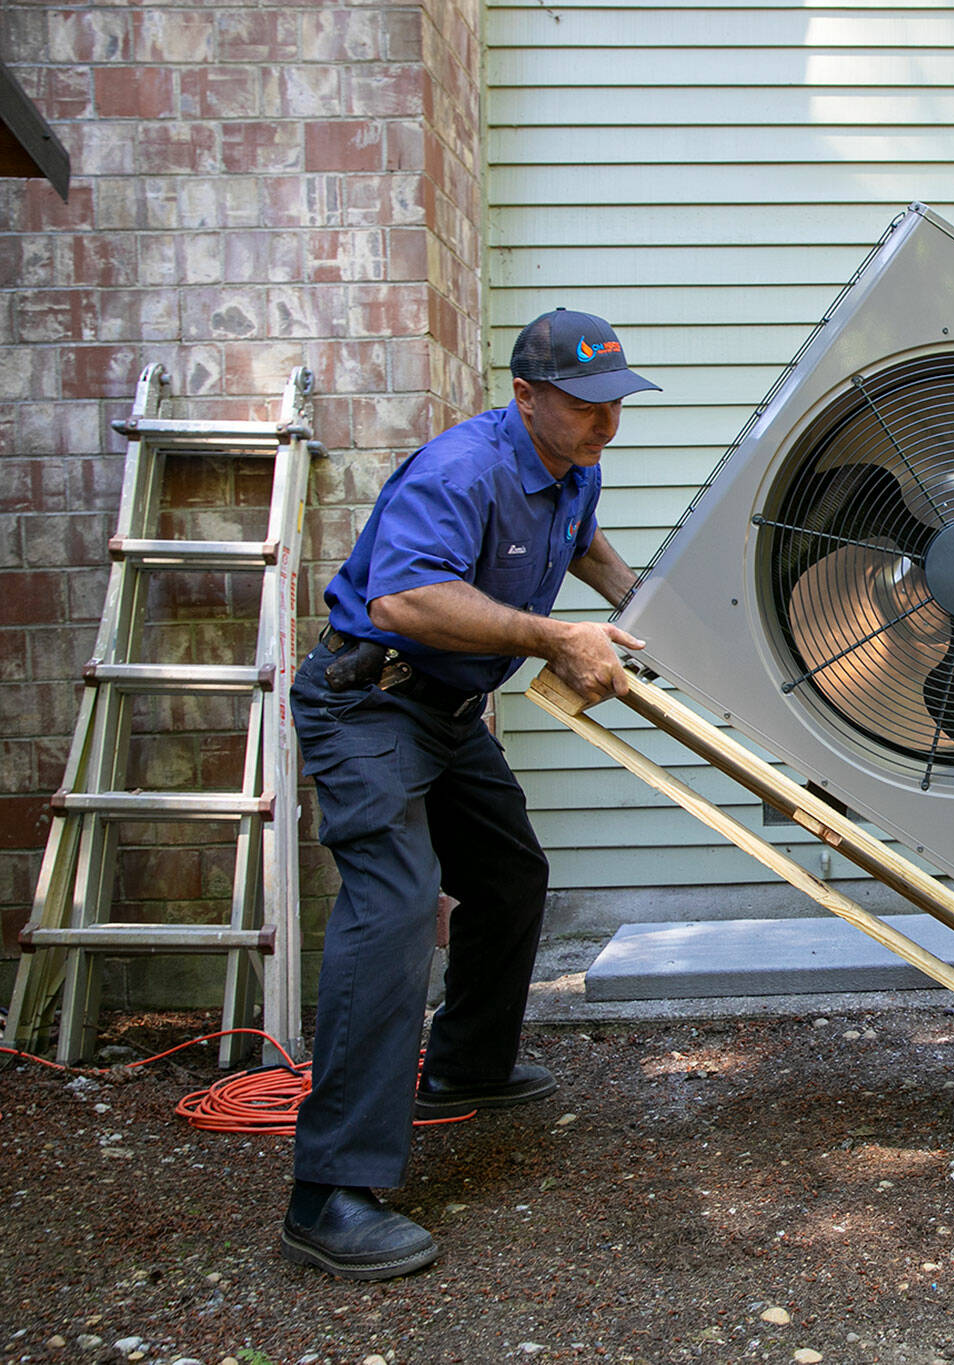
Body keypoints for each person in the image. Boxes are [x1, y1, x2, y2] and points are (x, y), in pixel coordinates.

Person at [280, 309, 657, 1279]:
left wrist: (644, 605)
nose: (603, 428)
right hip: (368, 706)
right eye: (584, 410)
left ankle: (466, 1064)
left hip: (447, 715)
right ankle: (327, 1194)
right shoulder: (461, 470)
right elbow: (404, 602)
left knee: (510, 876)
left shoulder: (573, 463)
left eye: (614, 407)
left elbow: (579, 541)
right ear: (525, 397)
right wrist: (551, 639)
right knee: (397, 907)